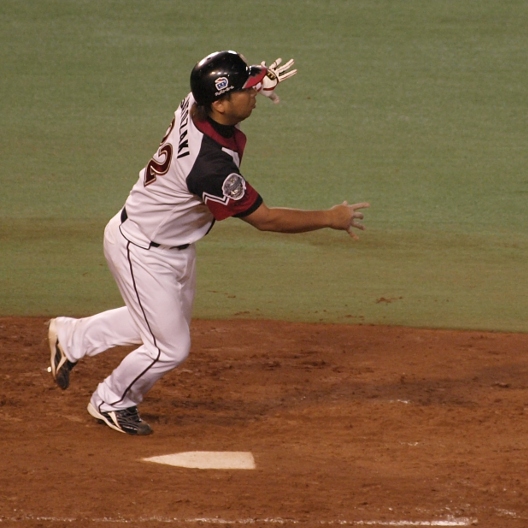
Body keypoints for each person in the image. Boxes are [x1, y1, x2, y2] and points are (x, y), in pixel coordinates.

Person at [46, 51, 368, 436]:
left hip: (167, 242)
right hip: (142, 250)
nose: (253, 94)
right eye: (245, 91)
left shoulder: (194, 101)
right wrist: (330, 218)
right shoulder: (209, 167)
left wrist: (259, 79)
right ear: (219, 103)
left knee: (162, 324)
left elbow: (229, 82)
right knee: (170, 347)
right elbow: (265, 220)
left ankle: (74, 337)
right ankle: (112, 399)